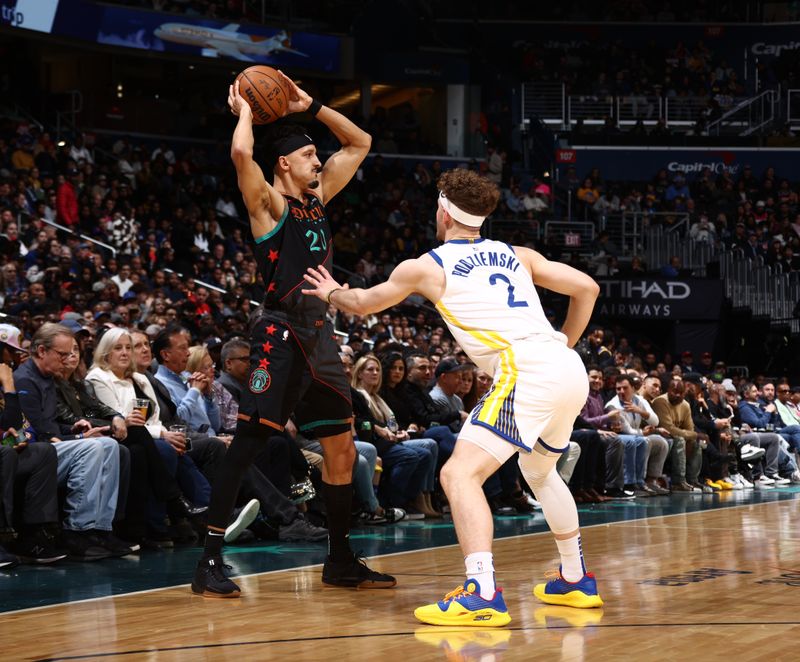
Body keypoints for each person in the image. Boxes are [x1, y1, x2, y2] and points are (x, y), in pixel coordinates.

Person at [302, 168, 602, 626]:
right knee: (539, 471)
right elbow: (588, 288)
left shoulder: (427, 265)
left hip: (525, 369)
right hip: (566, 368)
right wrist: (563, 341)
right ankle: (575, 579)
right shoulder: (516, 254)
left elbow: (363, 303)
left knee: (459, 475)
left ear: (442, 211)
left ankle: (480, 591)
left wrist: (332, 291)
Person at [192, 72, 395, 598]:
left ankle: (341, 558)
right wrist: (245, 112)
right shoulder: (269, 206)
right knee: (248, 443)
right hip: (279, 334)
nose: (319, 161)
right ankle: (209, 560)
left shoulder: (319, 199)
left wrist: (314, 107)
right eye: (309, 155)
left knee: (342, 449)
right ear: (285, 163)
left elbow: (361, 142)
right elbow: (242, 158)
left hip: (322, 337)